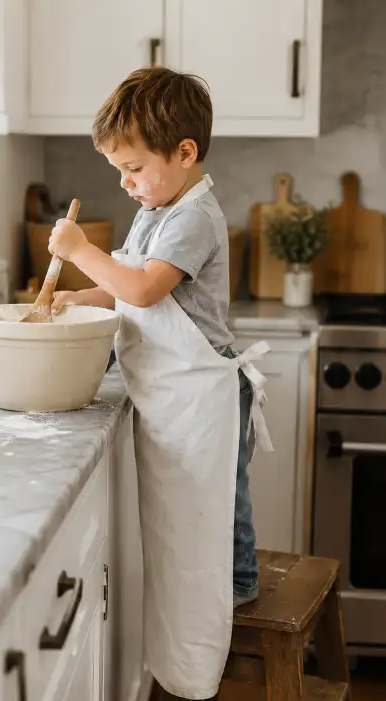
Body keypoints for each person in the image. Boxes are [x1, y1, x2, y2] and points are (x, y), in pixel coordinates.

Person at [49, 66, 273, 701]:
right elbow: (126, 290)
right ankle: (213, 592)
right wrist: (76, 299)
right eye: (117, 170)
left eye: (133, 167)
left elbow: (146, 289)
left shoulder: (193, 218)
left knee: (218, 504)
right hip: (175, 392)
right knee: (192, 516)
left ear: (184, 153)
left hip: (204, 391)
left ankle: (237, 584)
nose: (124, 183)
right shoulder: (158, 206)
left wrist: (80, 248)